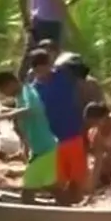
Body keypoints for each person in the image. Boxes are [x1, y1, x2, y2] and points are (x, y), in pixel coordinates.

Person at [0, 60, 59, 204]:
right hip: (39, 149)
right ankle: (65, 207)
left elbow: (31, 110)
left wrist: (4, 116)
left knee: (28, 189)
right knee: (48, 184)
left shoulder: (28, 91)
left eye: (3, 90)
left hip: (46, 148)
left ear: (10, 83)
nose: (5, 94)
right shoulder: (20, 97)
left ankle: (31, 215)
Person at [31, 43, 87, 204]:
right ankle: (64, 206)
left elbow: (81, 67)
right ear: (34, 70)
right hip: (53, 139)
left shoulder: (64, 75)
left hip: (73, 133)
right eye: (38, 69)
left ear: (50, 64)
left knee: (77, 177)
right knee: (58, 179)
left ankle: (76, 205)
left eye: (45, 67)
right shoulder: (33, 90)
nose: (43, 72)